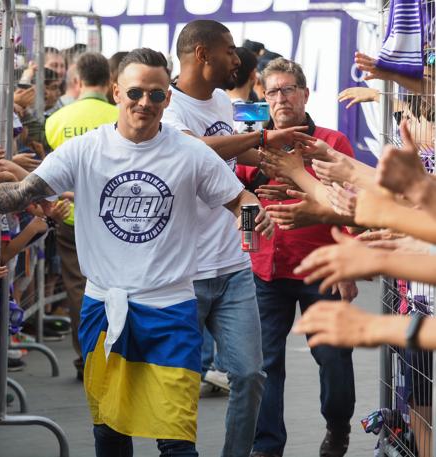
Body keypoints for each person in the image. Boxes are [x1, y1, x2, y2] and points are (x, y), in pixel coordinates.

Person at [0, 47, 272, 457]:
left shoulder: (190, 154)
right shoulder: (85, 150)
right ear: (117, 92)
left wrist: (252, 230)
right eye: (135, 93)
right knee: (110, 433)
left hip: (171, 311)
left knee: (176, 437)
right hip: (106, 309)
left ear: (168, 98)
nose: (144, 104)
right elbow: (18, 193)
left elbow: (243, 200)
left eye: (156, 95)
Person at [162, 20, 274, 457]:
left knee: (249, 375)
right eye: (229, 50)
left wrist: (285, 162)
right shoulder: (168, 109)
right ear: (202, 54)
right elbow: (197, 152)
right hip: (184, 274)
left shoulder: (224, 101)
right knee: (179, 381)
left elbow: (233, 164)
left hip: (232, 269)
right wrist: (263, 137)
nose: (238, 59)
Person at [235, 57, 358, 457]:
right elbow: (242, 198)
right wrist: (250, 247)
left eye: (288, 89)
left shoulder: (331, 142)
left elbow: (348, 207)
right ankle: (267, 447)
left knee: (335, 359)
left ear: (304, 94)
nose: (280, 97)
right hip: (266, 271)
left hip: (322, 266)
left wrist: (349, 264)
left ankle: (338, 427)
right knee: (265, 366)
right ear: (262, 98)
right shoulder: (251, 145)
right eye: (271, 91)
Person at [44, 52, 118, 379]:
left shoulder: (56, 120)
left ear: (77, 81)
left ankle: (86, 355)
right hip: (116, 217)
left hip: (70, 215)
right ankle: (116, 351)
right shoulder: (121, 116)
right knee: (117, 284)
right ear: (110, 82)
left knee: (78, 289)